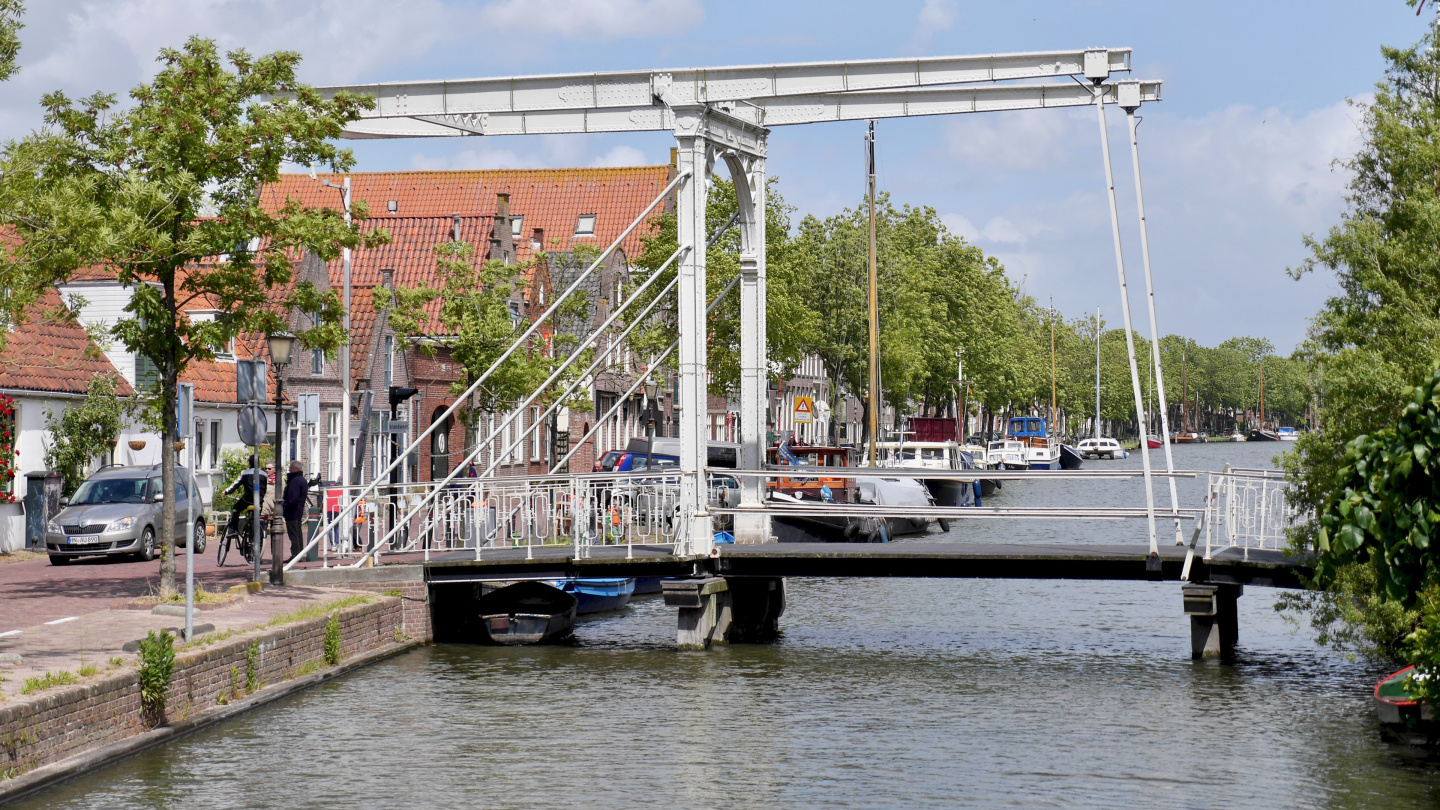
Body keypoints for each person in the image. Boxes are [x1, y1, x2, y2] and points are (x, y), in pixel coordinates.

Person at [223, 462, 268, 536]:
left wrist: (226, 491)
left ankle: (233, 529)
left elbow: (235, 484)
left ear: (249, 463)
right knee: (256, 518)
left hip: (247, 500)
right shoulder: (264, 474)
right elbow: (265, 488)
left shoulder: (245, 473)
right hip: (259, 501)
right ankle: (255, 534)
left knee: (236, 509)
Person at [282, 460, 309, 559]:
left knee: (293, 534)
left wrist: (285, 507)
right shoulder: (302, 480)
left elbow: (292, 497)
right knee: (298, 533)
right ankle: (299, 554)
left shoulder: (295, 481)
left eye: (291, 468)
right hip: (298, 510)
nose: (289, 470)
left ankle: (296, 555)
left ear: (295, 469)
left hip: (292, 511)